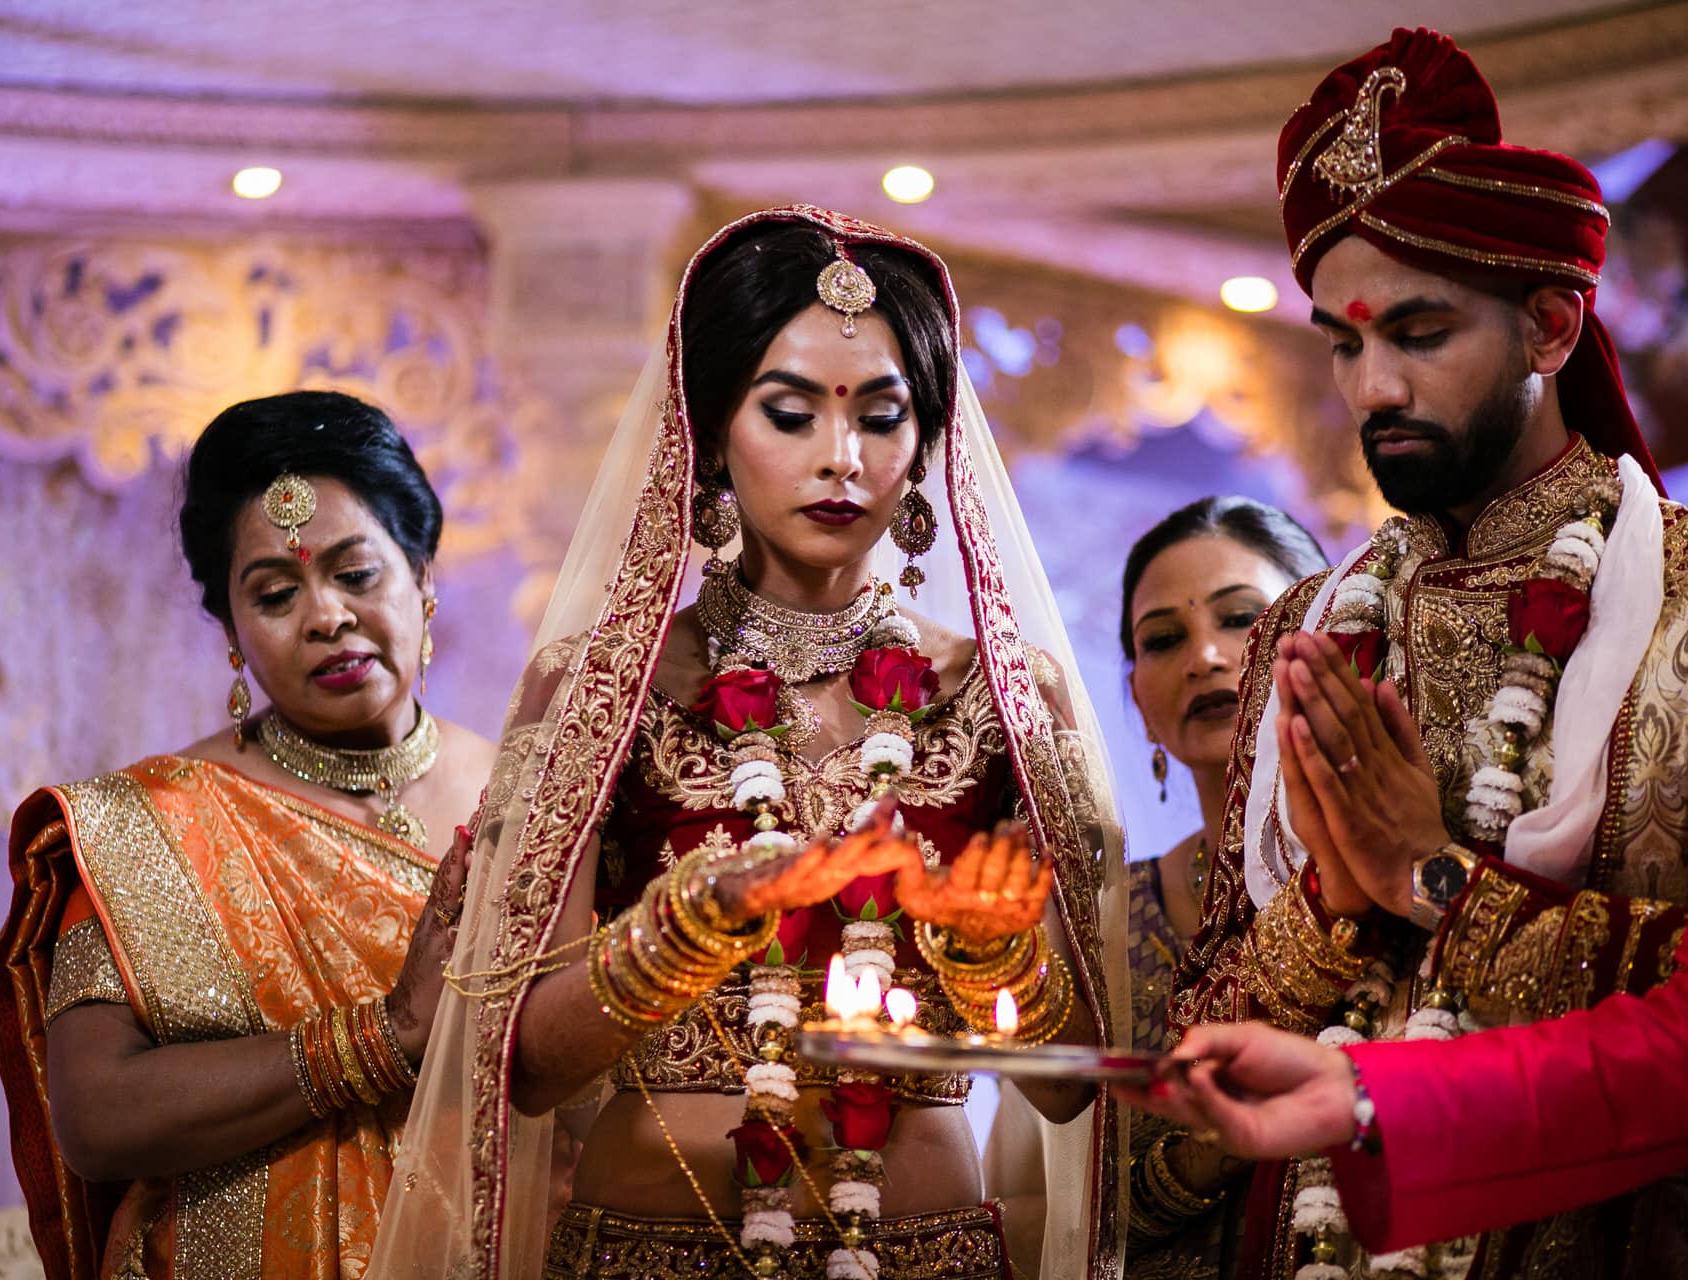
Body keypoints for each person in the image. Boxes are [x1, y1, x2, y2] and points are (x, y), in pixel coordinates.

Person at [1162, 28, 1688, 1280]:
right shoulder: (1312, 625)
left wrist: (1431, 877)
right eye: (1344, 342)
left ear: (1551, 325)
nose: (1371, 387)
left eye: (1417, 333)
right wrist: (1331, 906)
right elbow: (1185, 1094)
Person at [367, 206, 1129, 1280]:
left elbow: (1065, 1084)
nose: (842, 458)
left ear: (924, 443)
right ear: (712, 430)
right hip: (654, 1249)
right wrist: (693, 922)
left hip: (928, 1251)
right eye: (790, 413)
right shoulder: (600, 689)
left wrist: (990, 949)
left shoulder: (1003, 693)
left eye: (881, 416)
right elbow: (524, 1063)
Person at [0, 391, 498, 1277]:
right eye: (275, 592)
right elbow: (97, 1119)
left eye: (356, 573)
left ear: (423, 575)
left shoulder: (526, 795)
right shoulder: (149, 825)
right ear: (230, 632)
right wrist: (380, 1040)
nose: (325, 615)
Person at [1118, 499, 1327, 1276]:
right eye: (1164, 639)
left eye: (1242, 619)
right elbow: (1086, 1207)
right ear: (1139, 703)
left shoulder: (1399, 865)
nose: (1204, 655)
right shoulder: (1110, 918)